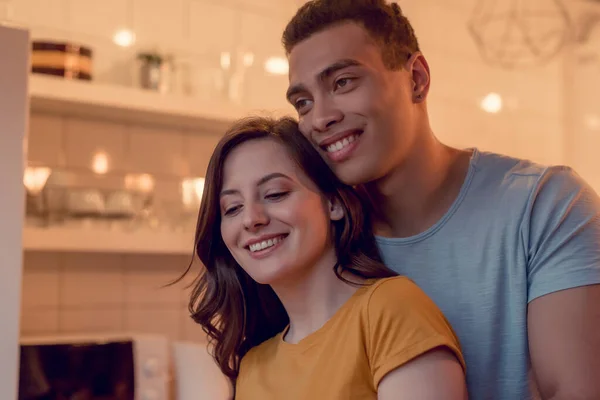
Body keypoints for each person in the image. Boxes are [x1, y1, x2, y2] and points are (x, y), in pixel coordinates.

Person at [281, 1, 600, 399]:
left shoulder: (547, 205)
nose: (319, 118)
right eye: (303, 103)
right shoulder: (323, 240)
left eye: (343, 82)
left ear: (416, 78)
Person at [183, 116, 467, 399]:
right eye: (232, 208)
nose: (251, 219)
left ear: (333, 203)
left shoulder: (390, 310)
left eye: (275, 194)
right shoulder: (253, 366)